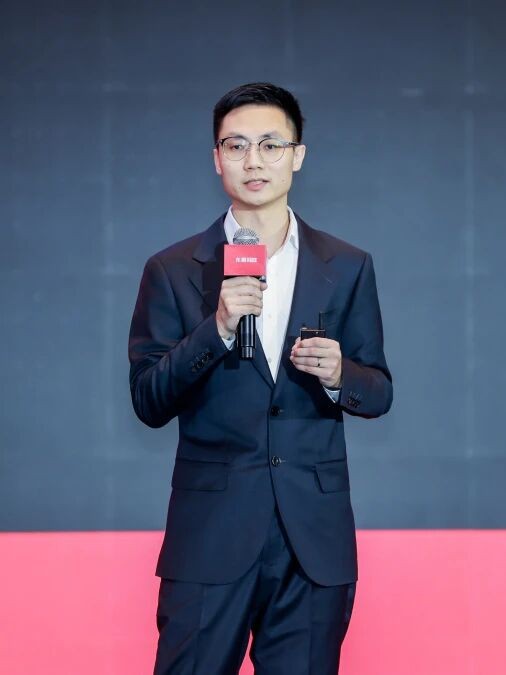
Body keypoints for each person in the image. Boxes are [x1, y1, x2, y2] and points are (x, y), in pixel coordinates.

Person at [128, 82, 392, 675]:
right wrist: (217, 330)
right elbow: (148, 399)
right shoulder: (172, 270)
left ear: (298, 156)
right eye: (237, 145)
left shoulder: (347, 265)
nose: (254, 161)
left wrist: (338, 375)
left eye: (271, 145)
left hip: (312, 543)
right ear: (216, 157)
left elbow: (378, 390)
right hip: (210, 538)